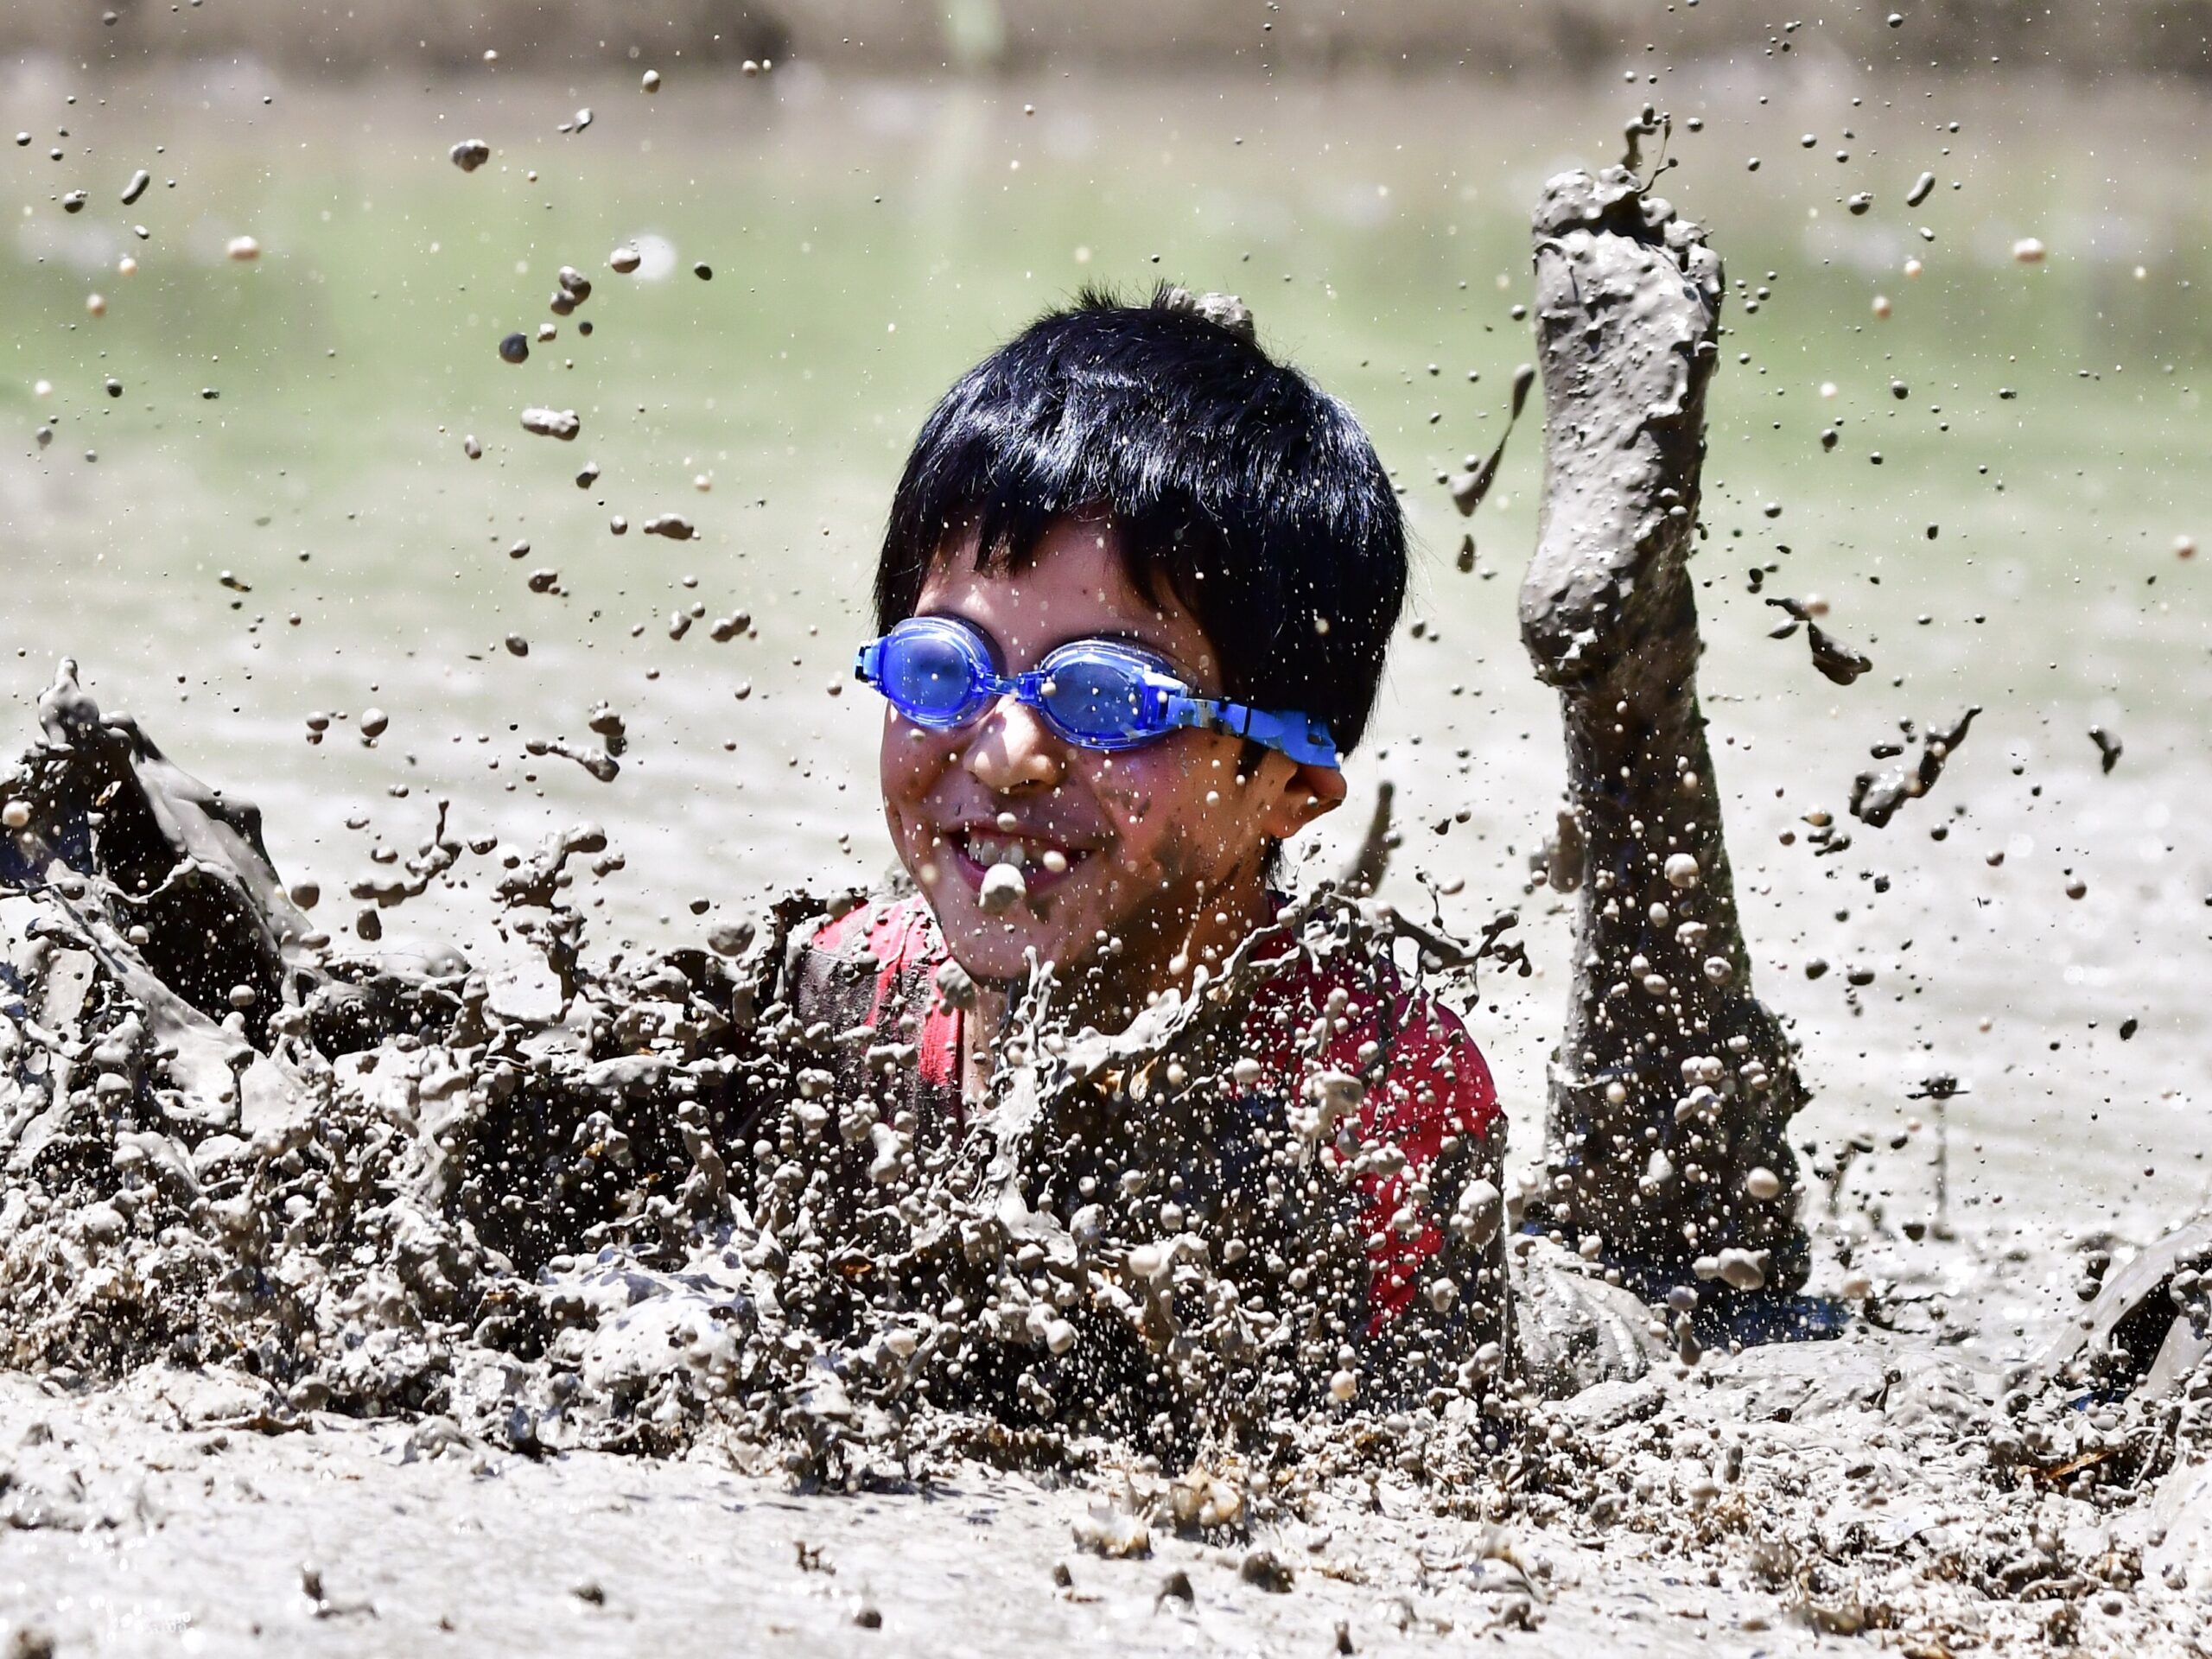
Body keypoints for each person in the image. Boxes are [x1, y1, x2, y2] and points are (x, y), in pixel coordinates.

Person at [785, 285, 1510, 1412]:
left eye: (1109, 698)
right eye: (941, 667)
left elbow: (1436, 1450)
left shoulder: (1369, 1101)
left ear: (1286, 787)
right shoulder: (844, 1000)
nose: (1005, 752)